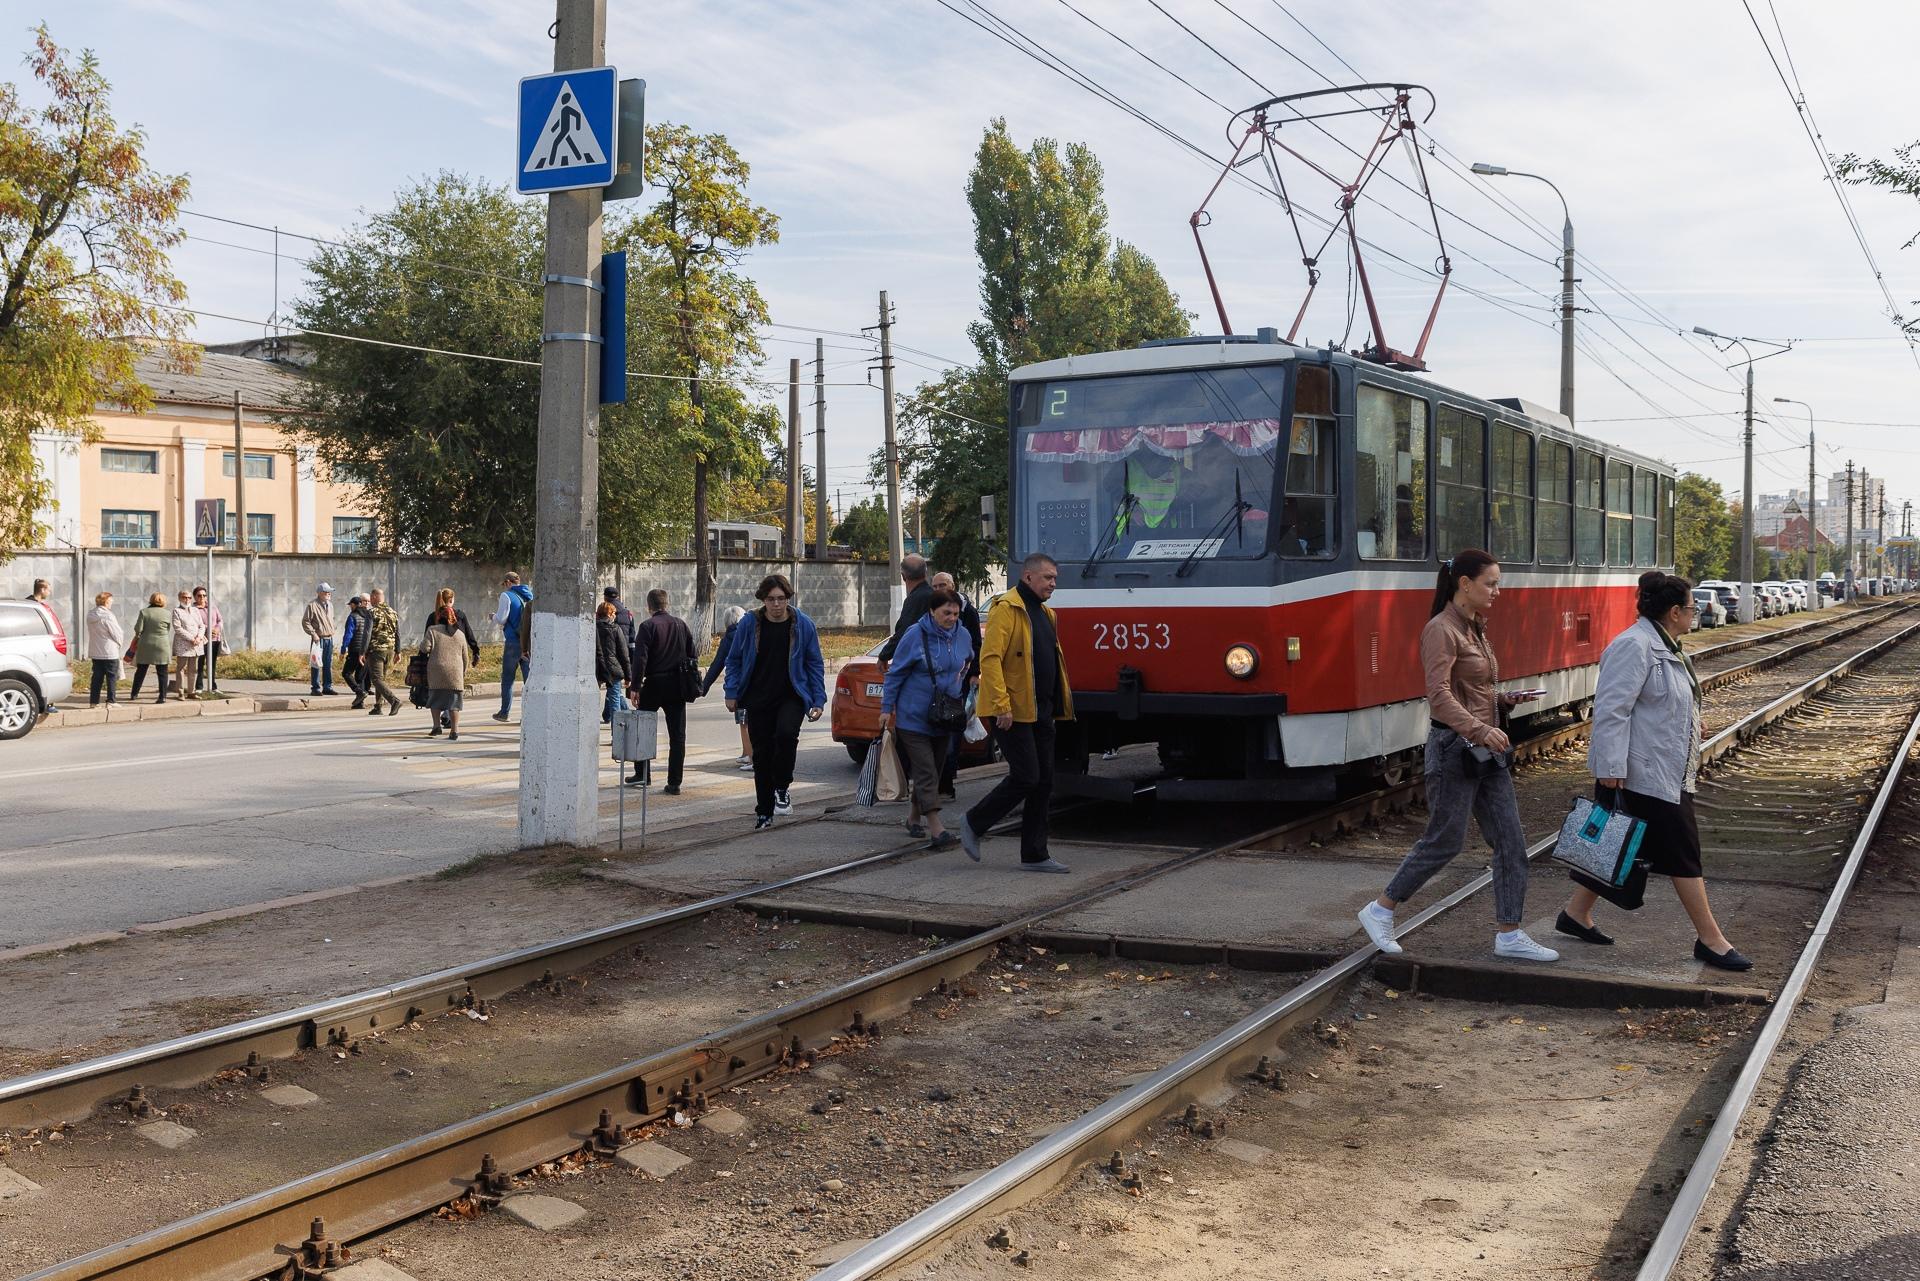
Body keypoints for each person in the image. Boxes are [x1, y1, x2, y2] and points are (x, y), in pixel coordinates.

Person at [1355, 550, 1558, 962]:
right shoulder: (1441, 630)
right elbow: (1439, 696)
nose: (1498, 591)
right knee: (1444, 842)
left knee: (1511, 842)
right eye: (1491, 583)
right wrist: (1481, 727)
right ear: (1465, 584)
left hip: (1483, 751)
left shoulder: (1474, 627)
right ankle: (1380, 909)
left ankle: (1509, 933)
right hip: (1454, 749)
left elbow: (1471, 691)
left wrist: (1503, 701)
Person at [1560, 571, 1752, 971]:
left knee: (1620, 844)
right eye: (1691, 607)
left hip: (1663, 766)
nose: (1695, 613)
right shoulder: (1634, 646)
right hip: (1641, 771)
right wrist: (1611, 768)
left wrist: (1690, 722)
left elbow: (1661, 702)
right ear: (1673, 611)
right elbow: (1613, 710)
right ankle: (1711, 940)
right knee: (1684, 853)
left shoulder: (1668, 646)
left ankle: (1575, 915)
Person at [958, 552, 1075, 872]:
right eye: (1048, 577)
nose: (1053, 583)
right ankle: (973, 822)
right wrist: (1000, 706)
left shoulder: (1046, 613)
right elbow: (990, 659)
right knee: (1026, 776)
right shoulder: (1005, 609)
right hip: (1011, 711)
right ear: (1028, 577)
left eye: (1055, 578)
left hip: (1042, 712)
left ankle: (1035, 854)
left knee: (1044, 781)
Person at [724, 574, 826, 829]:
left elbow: (814, 663)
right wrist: (731, 691)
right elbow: (734, 659)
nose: (777, 605)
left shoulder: (803, 625)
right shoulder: (750, 624)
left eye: (781, 599)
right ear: (763, 600)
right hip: (758, 697)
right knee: (762, 755)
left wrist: (818, 699)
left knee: (786, 735)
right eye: (771, 599)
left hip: (791, 695)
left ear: (788, 599)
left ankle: (782, 785)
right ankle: (764, 812)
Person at [879, 588, 975, 850]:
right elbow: (895, 674)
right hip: (913, 717)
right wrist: (887, 708)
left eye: (956, 613)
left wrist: (959, 687)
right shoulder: (915, 635)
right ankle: (936, 827)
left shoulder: (963, 635)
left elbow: (967, 662)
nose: (952, 617)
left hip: (945, 717)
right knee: (926, 770)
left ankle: (913, 818)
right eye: (946, 612)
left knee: (935, 769)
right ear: (932, 612)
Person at [630, 588, 697, 792]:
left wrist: (635, 687)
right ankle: (674, 782)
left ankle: (643, 774)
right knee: (677, 736)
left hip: (654, 684)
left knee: (642, 729)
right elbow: (692, 655)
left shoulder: (647, 626)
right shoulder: (681, 624)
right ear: (667, 604)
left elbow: (640, 659)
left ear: (649, 606)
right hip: (677, 685)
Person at [929, 571, 982, 797]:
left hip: (958, 683)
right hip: (934, 685)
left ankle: (945, 783)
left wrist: (974, 673)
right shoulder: (929, 610)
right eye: (936, 586)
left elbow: (976, 645)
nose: (940, 588)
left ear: (953, 585)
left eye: (944, 584)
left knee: (951, 733)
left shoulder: (967, 611)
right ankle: (935, 783)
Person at [422, 588, 480, 729]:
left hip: (436, 664)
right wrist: (475, 652)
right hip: (456, 665)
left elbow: (425, 646)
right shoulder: (459, 619)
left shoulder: (432, 619)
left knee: (436, 695)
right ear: (452, 600)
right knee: (454, 697)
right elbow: (469, 636)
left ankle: (437, 726)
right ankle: (454, 728)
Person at [704, 604, 753, 770]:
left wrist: (703, 688)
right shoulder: (751, 632)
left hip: (739, 686)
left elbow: (717, 664)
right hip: (754, 683)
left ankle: (751, 757)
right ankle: (746, 753)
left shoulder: (730, 637)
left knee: (744, 721)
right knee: (746, 720)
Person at [491, 571, 534, 722]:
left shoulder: (506, 596)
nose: (505, 587)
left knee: (508, 678)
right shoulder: (530, 594)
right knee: (529, 680)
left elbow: (502, 619)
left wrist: (493, 617)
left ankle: (504, 712)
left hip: (513, 642)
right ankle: (529, 715)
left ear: (508, 582)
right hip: (528, 642)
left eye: (505, 584)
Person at [877, 553, 933, 663]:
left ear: (903, 576)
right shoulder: (932, 595)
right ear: (925, 573)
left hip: (919, 661)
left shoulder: (915, 599)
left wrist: (884, 656)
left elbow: (904, 631)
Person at [363, 587, 403, 716]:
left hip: (376, 650)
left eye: (371, 598)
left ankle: (394, 701)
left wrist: (362, 652)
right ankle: (378, 706)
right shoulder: (392, 612)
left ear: (374, 597)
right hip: (389, 650)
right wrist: (398, 651)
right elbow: (397, 633)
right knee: (381, 679)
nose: (370, 601)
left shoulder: (372, 612)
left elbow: (367, 632)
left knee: (376, 679)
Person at [129, 592, 173, 703]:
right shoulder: (167, 613)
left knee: (141, 670)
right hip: (162, 644)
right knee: (162, 672)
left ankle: (134, 693)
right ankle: (162, 696)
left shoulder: (144, 612)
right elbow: (168, 629)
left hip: (146, 644)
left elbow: (138, 629)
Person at [595, 600, 632, 724]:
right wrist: (628, 676)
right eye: (614, 614)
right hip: (613, 668)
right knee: (615, 700)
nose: (615, 616)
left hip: (596, 668)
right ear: (610, 614)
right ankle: (616, 737)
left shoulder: (592, 628)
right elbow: (623, 654)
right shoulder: (615, 629)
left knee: (593, 700)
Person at [86, 591, 124, 706]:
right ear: (106, 602)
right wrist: (119, 644)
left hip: (95, 651)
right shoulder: (108, 615)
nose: (112, 603)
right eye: (111, 601)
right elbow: (117, 633)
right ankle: (111, 700)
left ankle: (93, 702)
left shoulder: (90, 615)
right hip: (109, 651)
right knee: (111, 677)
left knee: (97, 677)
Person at [302, 583, 337, 696]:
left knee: (328, 663)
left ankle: (327, 686)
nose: (329, 594)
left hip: (329, 638)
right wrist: (313, 634)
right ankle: (315, 688)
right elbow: (306, 621)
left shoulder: (330, 605)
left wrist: (333, 628)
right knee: (316, 663)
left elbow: (332, 619)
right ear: (320, 593)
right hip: (318, 638)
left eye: (329, 592)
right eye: (326, 592)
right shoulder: (312, 605)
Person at [171, 589, 206, 701]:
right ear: (180, 598)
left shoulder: (195, 610)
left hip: (196, 644)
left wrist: (199, 637)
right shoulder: (176, 611)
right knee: (181, 668)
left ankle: (191, 691)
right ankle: (180, 692)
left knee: (193, 669)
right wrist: (191, 638)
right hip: (184, 644)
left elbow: (202, 625)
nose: (187, 600)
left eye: (189, 598)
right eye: (184, 597)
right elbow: (178, 628)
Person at [341, 595, 373, 708]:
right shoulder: (369, 615)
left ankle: (359, 692)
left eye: (351, 605)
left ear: (354, 605)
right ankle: (360, 703)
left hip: (355, 649)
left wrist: (343, 649)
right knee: (360, 676)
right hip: (366, 650)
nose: (350, 607)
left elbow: (348, 634)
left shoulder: (352, 616)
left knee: (346, 673)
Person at [193, 586, 222, 694]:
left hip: (215, 639)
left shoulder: (212, 607)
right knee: (201, 663)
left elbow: (220, 620)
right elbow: (194, 623)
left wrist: (217, 629)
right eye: (199, 595)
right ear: (195, 597)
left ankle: (213, 686)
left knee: (212, 663)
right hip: (202, 639)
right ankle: (199, 687)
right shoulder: (193, 609)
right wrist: (207, 629)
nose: (202, 597)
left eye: (204, 595)